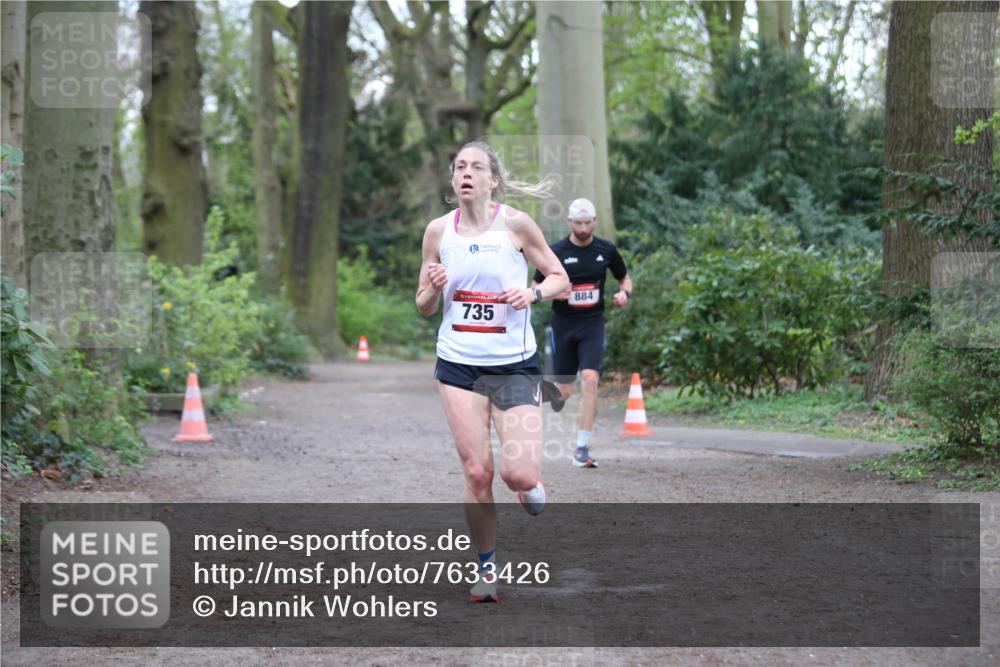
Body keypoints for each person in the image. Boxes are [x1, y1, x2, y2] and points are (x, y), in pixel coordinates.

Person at [416, 141, 569, 603]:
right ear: (454, 180)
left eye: (475, 167)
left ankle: (531, 485)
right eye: (459, 166)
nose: (465, 173)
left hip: (513, 365)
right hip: (458, 363)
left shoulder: (517, 225)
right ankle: (486, 569)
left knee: (517, 475)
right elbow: (423, 306)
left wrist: (534, 295)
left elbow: (560, 279)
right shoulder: (438, 232)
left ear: (492, 180)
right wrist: (433, 286)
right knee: (478, 472)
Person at [533, 198, 632, 469]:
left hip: (592, 324)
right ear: (569, 222)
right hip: (564, 325)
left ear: (595, 222)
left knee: (590, 379)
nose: (584, 228)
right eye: (578, 223)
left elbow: (624, 278)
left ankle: (582, 448)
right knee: (563, 392)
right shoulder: (556, 252)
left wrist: (625, 293)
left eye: (588, 222)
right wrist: (553, 291)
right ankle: (519, 406)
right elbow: (534, 288)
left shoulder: (606, 250)